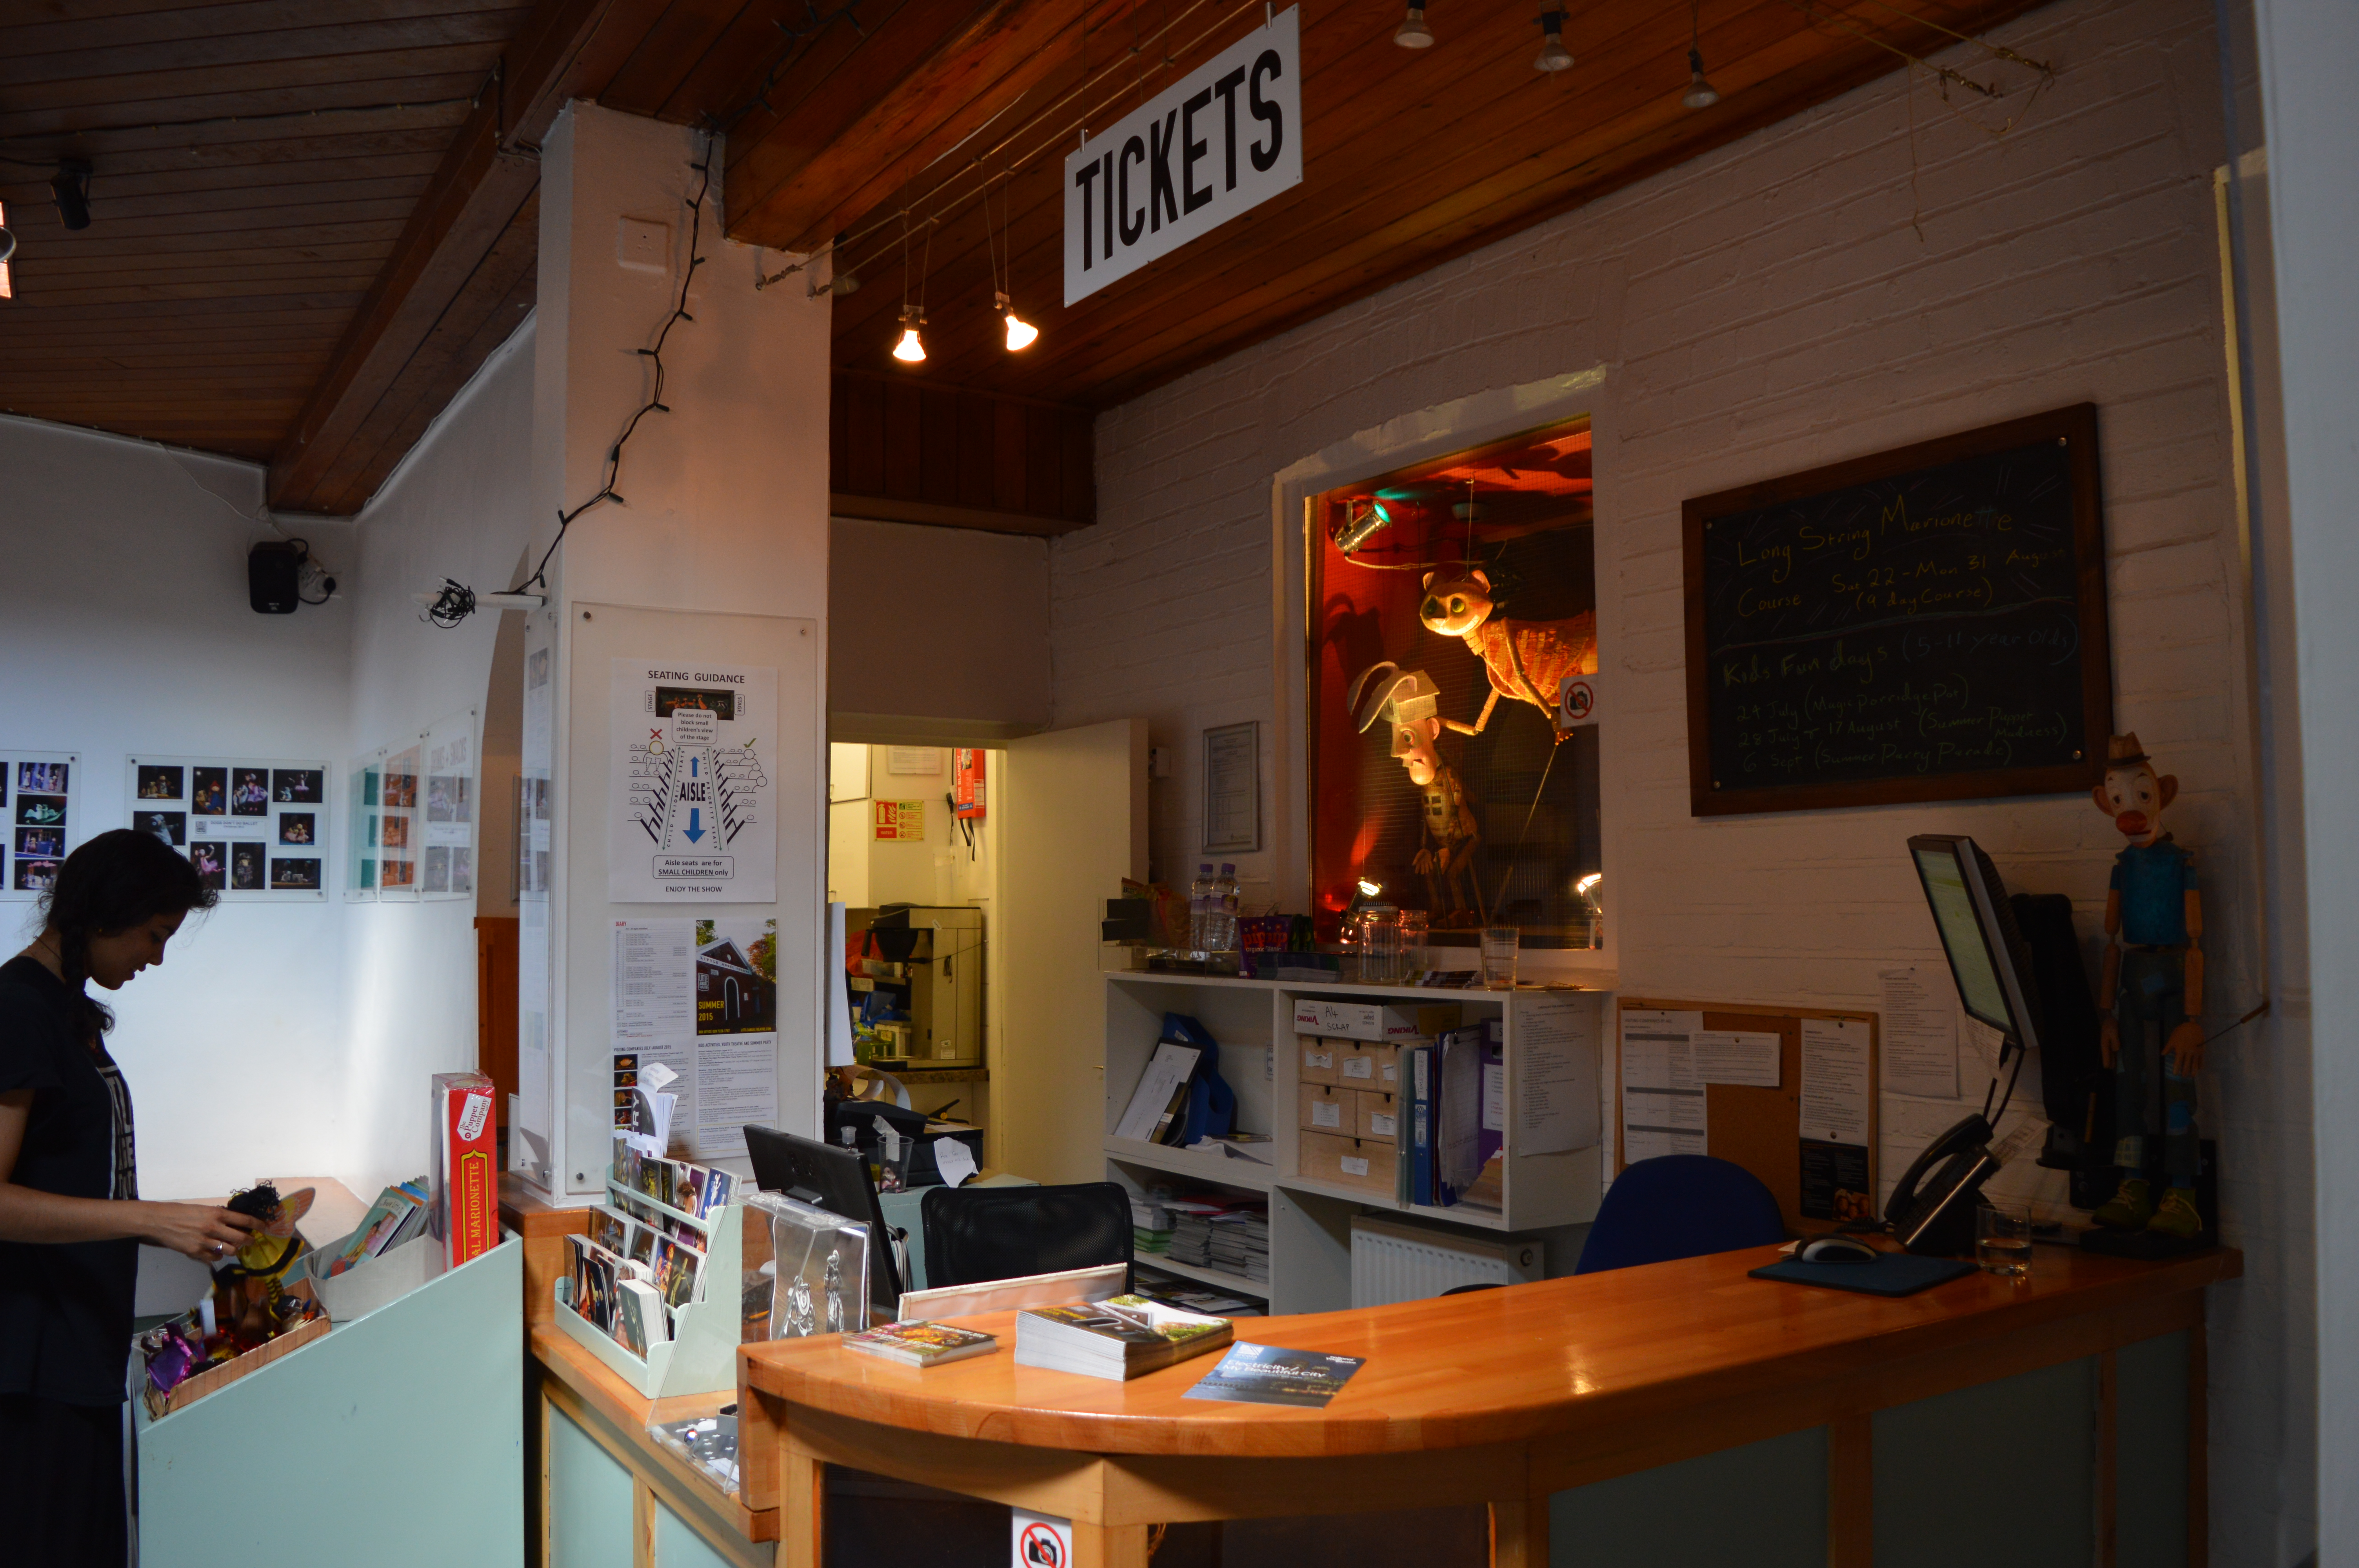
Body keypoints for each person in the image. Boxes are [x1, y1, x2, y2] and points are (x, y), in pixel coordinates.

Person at [0, 829, 256, 1564]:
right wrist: (150, 1219)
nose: (157, 956)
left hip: (78, 1343)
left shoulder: (65, 1007)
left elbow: (71, 1183)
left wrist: (183, 1222)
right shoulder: (20, 1009)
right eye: (154, 934)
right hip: (31, 1360)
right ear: (105, 913)